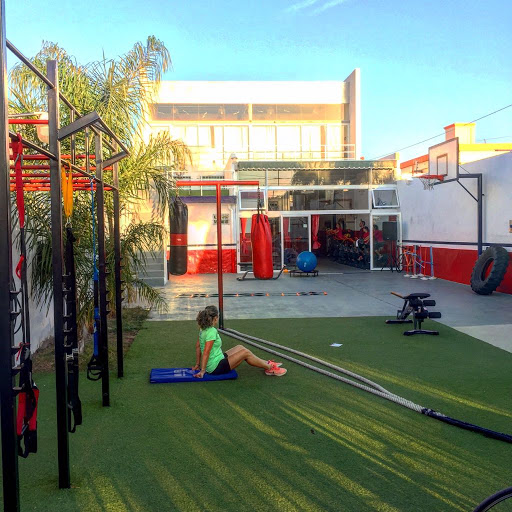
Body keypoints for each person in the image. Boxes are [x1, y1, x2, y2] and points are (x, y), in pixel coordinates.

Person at [192, 305, 287, 378]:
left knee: (240, 347)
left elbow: (197, 346)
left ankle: (267, 363)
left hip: (217, 359)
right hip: (215, 367)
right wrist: (203, 370)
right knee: (245, 353)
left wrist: (197, 364)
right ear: (216, 318)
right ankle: (270, 369)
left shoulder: (203, 328)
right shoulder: (212, 331)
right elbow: (206, 352)